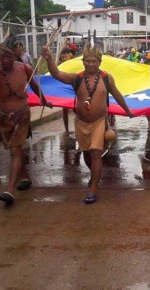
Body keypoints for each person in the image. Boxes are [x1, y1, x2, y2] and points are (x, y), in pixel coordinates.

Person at [42, 43, 133, 204]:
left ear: (99, 62)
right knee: (86, 154)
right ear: (83, 62)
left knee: (95, 152)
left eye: (94, 61)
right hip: (81, 122)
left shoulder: (106, 78)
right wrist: (49, 58)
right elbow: (56, 73)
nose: (91, 64)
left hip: (99, 121)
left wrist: (128, 110)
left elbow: (117, 95)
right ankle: (94, 175)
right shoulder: (76, 78)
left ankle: (93, 189)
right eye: (87, 61)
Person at [0, 36, 51, 205]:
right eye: (2, 56)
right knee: (14, 150)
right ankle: (25, 177)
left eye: (9, 57)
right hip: (3, 115)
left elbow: (34, 86)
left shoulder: (25, 68)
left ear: (14, 55)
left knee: (15, 151)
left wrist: (43, 99)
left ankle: (10, 190)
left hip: (21, 114)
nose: (5, 60)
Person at [58, 47, 75, 133]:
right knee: (65, 110)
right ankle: (67, 129)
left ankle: (79, 126)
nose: (64, 56)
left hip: (74, 89)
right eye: (62, 55)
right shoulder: (59, 66)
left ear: (71, 56)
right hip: (64, 90)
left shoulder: (74, 63)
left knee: (77, 109)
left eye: (66, 54)